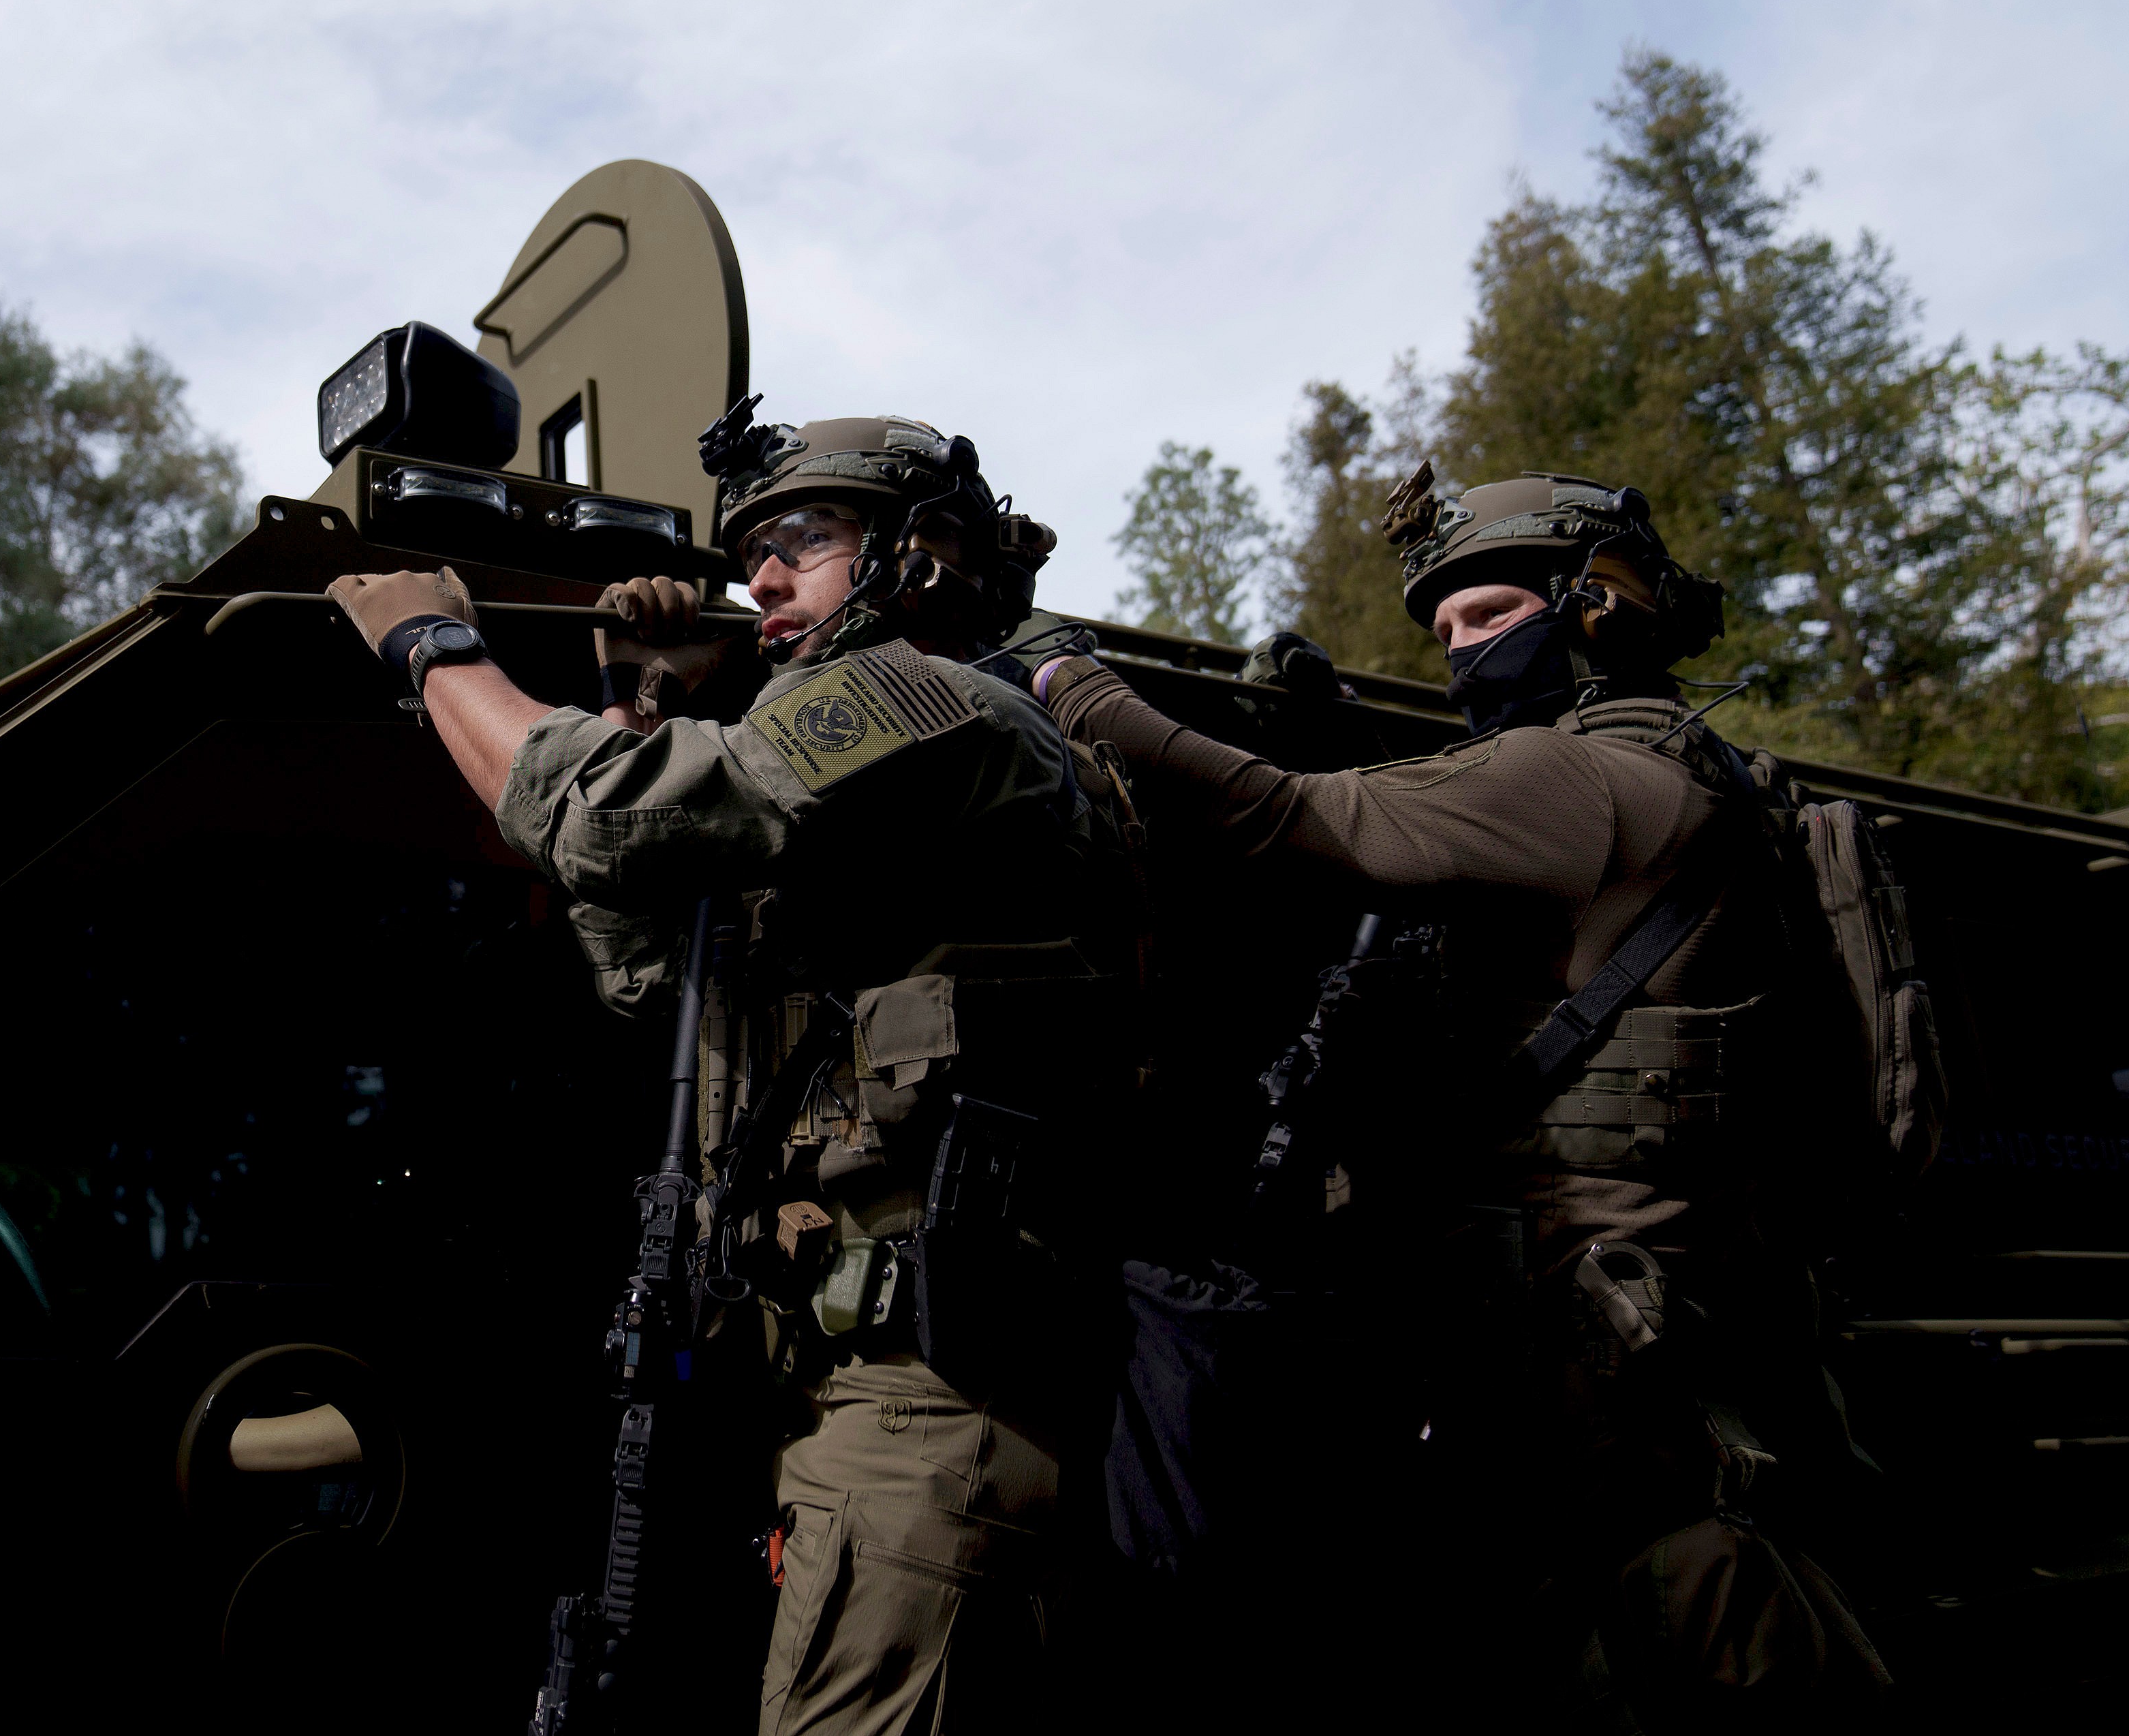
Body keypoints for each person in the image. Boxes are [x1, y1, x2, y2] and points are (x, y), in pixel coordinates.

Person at [1034, 467, 1891, 1725]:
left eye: (1485, 615)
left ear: (1598, 605)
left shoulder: (1586, 780)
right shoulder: (1713, 777)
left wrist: (1071, 681)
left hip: (1594, 1334)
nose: (1459, 657)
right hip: (1691, 1298)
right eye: (1441, 633)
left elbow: (1281, 818)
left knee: (1662, 1623)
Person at [328, 409, 1132, 1734]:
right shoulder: (860, 779)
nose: (758, 578)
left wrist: (433, 647)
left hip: (936, 1402)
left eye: (803, 542)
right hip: (836, 1391)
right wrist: (642, 695)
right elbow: (654, 966)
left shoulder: (931, 695)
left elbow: (605, 820)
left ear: (921, 558)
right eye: (750, 550)